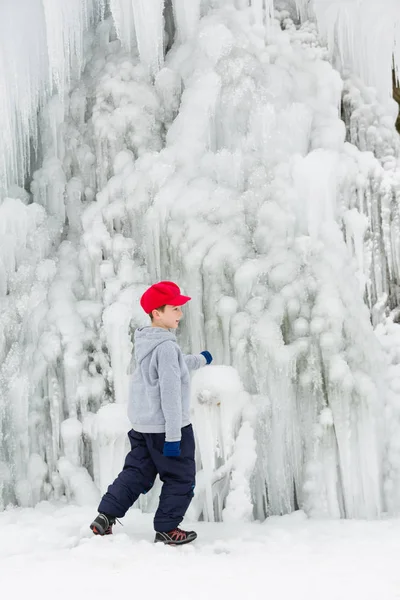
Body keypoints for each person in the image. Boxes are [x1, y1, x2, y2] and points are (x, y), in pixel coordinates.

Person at [90, 281, 213, 545]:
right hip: (169, 428)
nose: (180, 314)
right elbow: (169, 392)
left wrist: (201, 359)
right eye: (175, 309)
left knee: (136, 473)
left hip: (143, 428)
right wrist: (172, 437)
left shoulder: (147, 342)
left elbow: (176, 365)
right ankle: (167, 528)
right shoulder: (167, 347)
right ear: (157, 313)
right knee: (180, 478)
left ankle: (106, 515)